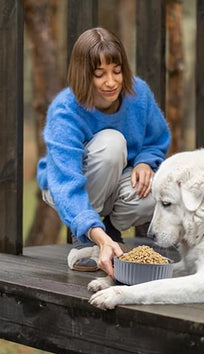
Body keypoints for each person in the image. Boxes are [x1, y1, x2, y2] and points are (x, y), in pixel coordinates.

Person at [37, 27, 171, 278]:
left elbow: (156, 140)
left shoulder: (138, 94)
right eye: (100, 75)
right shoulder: (65, 111)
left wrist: (145, 162)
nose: (111, 82)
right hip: (65, 185)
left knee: (155, 192)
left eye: (117, 71)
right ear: (84, 75)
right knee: (112, 143)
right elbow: (66, 182)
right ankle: (85, 237)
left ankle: (111, 230)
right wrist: (92, 231)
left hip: (116, 178)